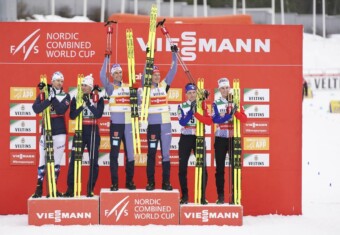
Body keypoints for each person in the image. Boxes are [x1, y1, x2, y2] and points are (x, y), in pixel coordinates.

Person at [100, 53, 137, 191]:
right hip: (116, 125)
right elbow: (102, 76)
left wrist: (137, 95)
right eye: (115, 73)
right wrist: (107, 59)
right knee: (114, 153)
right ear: (112, 75)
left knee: (130, 154)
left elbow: (138, 102)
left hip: (128, 125)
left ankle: (129, 182)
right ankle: (114, 183)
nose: (118, 75)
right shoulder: (110, 88)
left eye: (120, 72)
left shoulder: (129, 87)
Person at [143, 45, 178, 191]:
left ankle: (166, 183)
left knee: (165, 155)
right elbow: (145, 71)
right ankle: (151, 183)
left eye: (158, 74)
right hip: (153, 126)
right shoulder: (146, 88)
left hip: (165, 126)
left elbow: (173, 70)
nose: (156, 76)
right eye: (153, 74)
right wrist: (149, 56)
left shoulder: (164, 86)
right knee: (151, 154)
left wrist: (174, 54)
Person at [63, 74, 104, 197]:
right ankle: (71, 189)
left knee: (93, 161)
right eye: (82, 85)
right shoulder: (77, 98)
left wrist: (89, 104)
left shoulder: (98, 98)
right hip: (80, 131)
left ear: (91, 87)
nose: (83, 87)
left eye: (85, 85)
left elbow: (98, 114)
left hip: (92, 131)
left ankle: (90, 189)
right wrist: (83, 106)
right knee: (74, 160)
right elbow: (72, 115)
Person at [32, 71, 70, 198]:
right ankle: (38, 188)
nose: (60, 83)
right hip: (46, 131)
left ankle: (53, 189)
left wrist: (52, 98)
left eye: (61, 81)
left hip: (60, 132)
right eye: (57, 80)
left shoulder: (66, 95)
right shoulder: (44, 94)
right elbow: (36, 109)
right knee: (42, 159)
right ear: (52, 82)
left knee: (57, 161)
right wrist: (48, 98)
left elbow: (61, 110)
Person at [212, 77, 247, 204]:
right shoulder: (216, 103)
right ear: (219, 89)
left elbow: (244, 119)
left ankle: (234, 196)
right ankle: (220, 196)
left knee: (235, 167)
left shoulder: (236, 101)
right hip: (220, 138)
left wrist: (235, 111)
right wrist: (227, 115)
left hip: (233, 138)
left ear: (230, 88)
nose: (225, 90)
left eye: (227, 87)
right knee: (220, 169)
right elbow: (215, 120)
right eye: (223, 88)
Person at [177, 83, 212, 204]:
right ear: (186, 94)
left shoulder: (202, 105)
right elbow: (182, 122)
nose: (192, 95)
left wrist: (197, 112)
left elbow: (209, 121)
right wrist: (191, 112)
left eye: (194, 93)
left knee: (203, 167)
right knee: (182, 168)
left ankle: (202, 196)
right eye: (189, 93)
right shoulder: (181, 106)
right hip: (186, 138)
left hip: (199, 137)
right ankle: (184, 196)